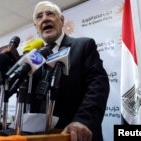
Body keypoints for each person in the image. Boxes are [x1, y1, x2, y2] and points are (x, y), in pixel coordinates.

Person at [31, 1, 110, 141]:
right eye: (39, 16)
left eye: (50, 13)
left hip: (76, 136)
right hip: (41, 136)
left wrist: (83, 121)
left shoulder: (84, 46)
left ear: (61, 20)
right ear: (36, 27)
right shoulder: (34, 58)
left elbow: (98, 87)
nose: (45, 18)